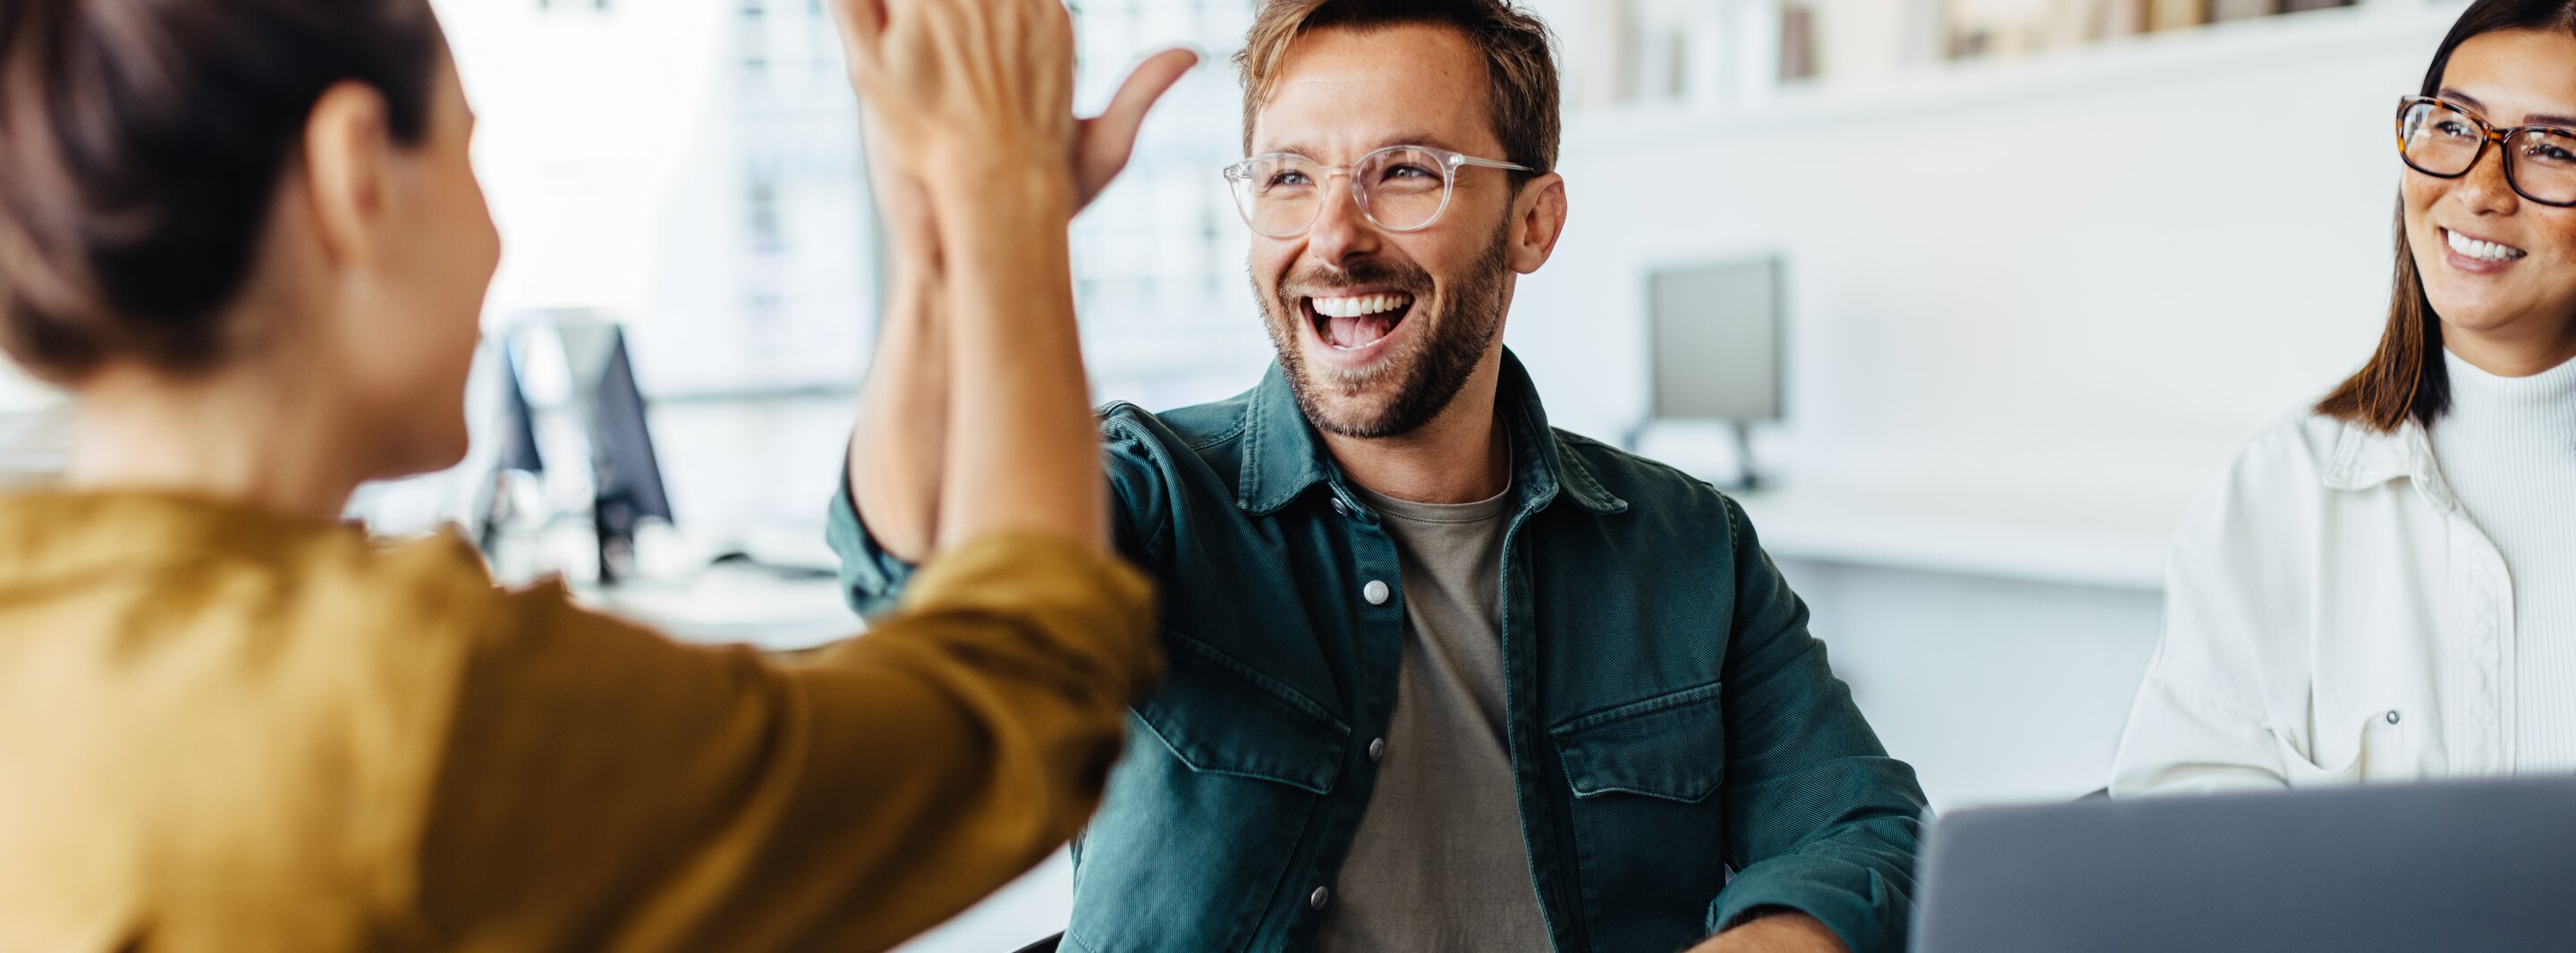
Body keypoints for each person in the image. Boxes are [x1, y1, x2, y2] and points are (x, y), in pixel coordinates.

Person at [0, 0, 1177, 948]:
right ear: (357, 174)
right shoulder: (403, 700)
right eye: (469, 153)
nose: (499, 240)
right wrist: (1006, 194)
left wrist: (946, 244)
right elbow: (1010, 709)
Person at [832, 0, 1928, 949]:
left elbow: (1869, 835)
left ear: (1533, 221)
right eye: (1289, 177)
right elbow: (922, 564)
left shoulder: (1689, 547)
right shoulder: (1158, 495)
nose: (1334, 236)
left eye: (1405, 172)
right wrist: (945, 250)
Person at [2113, 0, 2576, 794]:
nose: (2480, 188)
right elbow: (2186, 834)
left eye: (2553, 148)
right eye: (2453, 126)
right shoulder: (2277, 494)